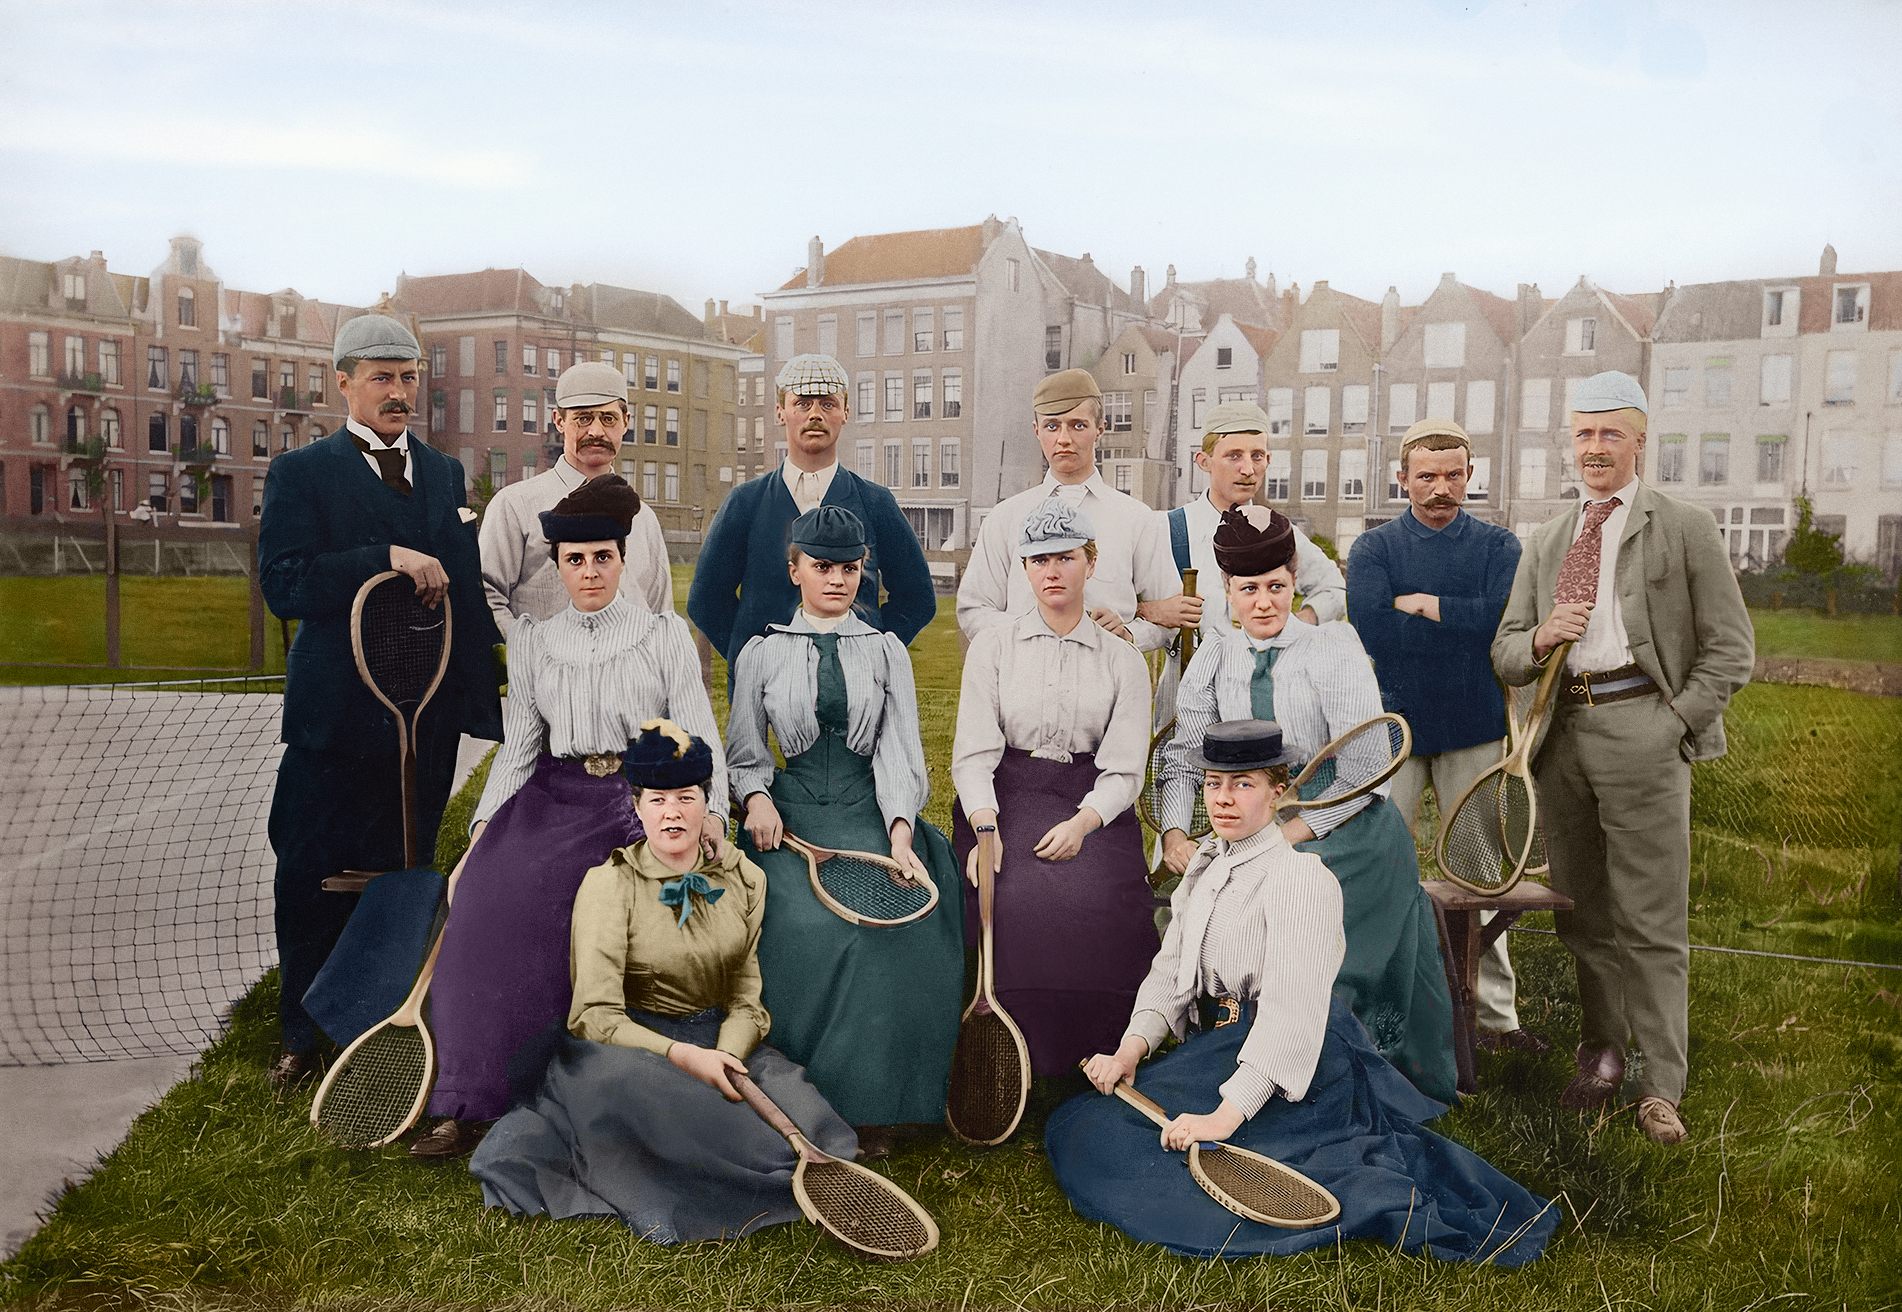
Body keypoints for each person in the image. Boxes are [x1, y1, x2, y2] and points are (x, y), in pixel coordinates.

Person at [1048, 720, 1557, 1266]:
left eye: (1243, 785)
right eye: (1213, 783)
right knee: (1085, 1123)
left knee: (1121, 1142)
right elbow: (1171, 971)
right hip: (1216, 1047)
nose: (1223, 799)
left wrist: (1225, 1116)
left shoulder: (1301, 881)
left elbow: (1292, 1014)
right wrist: (1132, 1047)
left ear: (1278, 791)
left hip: (1296, 1064)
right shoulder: (1204, 865)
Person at [411, 476, 728, 1158]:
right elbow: (519, 751)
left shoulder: (662, 636)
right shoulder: (535, 642)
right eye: (574, 560)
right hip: (553, 798)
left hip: (646, 798)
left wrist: (710, 820)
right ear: (556, 565)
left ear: (624, 558)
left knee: (636, 918)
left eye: (603, 557)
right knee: (489, 905)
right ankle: (468, 1100)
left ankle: (597, 1097)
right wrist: (480, 838)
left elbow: (697, 738)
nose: (589, 572)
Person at [470, 721, 860, 1244]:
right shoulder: (609, 884)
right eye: (657, 799)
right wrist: (683, 1057)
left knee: (814, 1131)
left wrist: (727, 1056)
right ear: (637, 806)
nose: (672, 812)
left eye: (686, 797)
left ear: (707, 803)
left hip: (721, 1045)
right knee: (673, 1111)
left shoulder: (745, 879)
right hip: (631, 1050)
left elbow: (746, 1000)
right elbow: (595, 1016)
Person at [1492, 370, 1753, 1145]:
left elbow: (1731, 651)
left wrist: (1676, 724)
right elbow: (1506, 651)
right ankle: (1602, 1058)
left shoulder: (1684, 526)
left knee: (1652, 919)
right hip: (1560, 740)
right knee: (1584, 918)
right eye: (1583, 434)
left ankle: (1659, 1086)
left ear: (1641, 442)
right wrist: (1540, 638)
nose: (1595, 448)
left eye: (1611, 433)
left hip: (1644, 729)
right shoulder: (1546, 539)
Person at [257, 313, 503, 1088]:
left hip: (422, 719)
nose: (398, 393)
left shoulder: (444, 474)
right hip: (335, 720)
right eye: (380, 378)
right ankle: (304, 1031)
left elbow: (462, 590)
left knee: (405, 870)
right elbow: (284, 586)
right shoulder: (302, 474)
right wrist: (383, 559)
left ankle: (378, 1021)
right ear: (343, 383)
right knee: (310, 871)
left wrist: (488, 703)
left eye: (407, 378)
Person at [1158, 504, 1456, 1101]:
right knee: (1198, 912)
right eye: (1249, 590)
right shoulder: (1214, 657)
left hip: (1345, 818)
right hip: (1250, 808)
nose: (1264, 603)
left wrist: (1294, 831)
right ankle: (1235, 1058)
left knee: (1306, 917)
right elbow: (1185, 754)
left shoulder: (1332, 648)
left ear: (1295, 580)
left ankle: (1330, 1072)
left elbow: (1369, 767)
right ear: (1227, 590)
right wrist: (1173, 832)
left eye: (1277, 586)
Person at [725, 506, 964, 1159]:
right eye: (822, 567)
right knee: (808, 929)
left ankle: (880, 1104)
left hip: (868, 811)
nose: (836, 580)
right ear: (795, 568)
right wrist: (755, 800)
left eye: (850, 569)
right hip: (788, 817)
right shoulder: (762, 652)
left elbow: (899, 752)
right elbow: (745, 752)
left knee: (893, 933)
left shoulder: (885, 651)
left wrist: (898, 833)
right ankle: (803, 1096)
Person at [1345, 417, 1539, 1053]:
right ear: (1401, 478)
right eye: (1425, 476)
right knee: (1384, 868)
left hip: (1475, 728)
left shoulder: (1497, 546)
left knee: (1485, 874)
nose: (1440, 488)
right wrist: (1460, 622)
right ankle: (1380, 1011)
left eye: (1453, 475)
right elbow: (1373, 629)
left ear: (1470, 476)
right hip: (1395, 731)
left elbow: (1504, 621)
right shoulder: (1375, 550)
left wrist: (1426, 605)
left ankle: (1494, 1020)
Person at [950, 497, 1155, 1076]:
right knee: (1013, 894)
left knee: (1099, 901)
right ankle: (1009, 1057)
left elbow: (1122, 770)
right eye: (1038, 560)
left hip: (1091, 804)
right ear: (1024, 568)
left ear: (1090, 562)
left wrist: (1084, 823)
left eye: (1064, 558)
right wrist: (985, 828)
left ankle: (1093, 1056)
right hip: (1004, 795)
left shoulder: (1123, 659)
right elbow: (972, 755)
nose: (1052, 572)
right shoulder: (994, 647)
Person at [688, 353, 936, 681]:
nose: (815, 414)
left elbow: (917, 596)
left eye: (828, 404)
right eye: (802, 404)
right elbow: (706, 599)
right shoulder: (745, 502)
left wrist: (874, 651)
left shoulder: (875, 502)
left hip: (854, 690)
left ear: (845, 413)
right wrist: (748, 656)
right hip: (765, 693)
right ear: (780, 412)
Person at [957, 368, 1188, 653]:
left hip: (1107, 681)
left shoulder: (1137, 519)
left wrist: (1128, 635)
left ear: (1100, 429)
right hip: (1024, 682)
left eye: (1077, 425)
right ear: (1037, 430)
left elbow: (1170, 614)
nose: (1063, 439)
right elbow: (974, 608)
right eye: (1052, 426)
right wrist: (1028, 636)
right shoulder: (1005, 518)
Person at [479, 360, 671, 632]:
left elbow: (660, 612)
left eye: (608, 418)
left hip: (629, 673)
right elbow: (486, 595)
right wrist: (530, 652)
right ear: (559, 421)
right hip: (547, 670)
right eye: (583, 418)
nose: (596, 431)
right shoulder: (515, 506)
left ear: (626, 422)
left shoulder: (644, 518)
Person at [1167, 399, 1346, 637]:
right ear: (1204, 462)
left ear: (1268, 461)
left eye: (1257, 456)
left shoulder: (1280, 535)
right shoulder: (1169, 530)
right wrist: (1147, 611)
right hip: (1189, 672)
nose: (1248, 469)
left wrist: (1293, 625)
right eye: (1234, 456)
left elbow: (1335, 589)